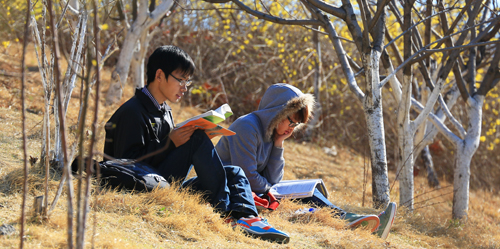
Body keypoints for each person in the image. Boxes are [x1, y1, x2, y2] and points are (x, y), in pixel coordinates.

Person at [103, 45, 290, 244]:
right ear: (159, 75)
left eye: (187, 81)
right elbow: (126, 165)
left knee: (233, 172)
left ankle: (247, 218)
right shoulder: (133, 111)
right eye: (180, 80)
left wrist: (189, 143)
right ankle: (226, 212)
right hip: (144, 185)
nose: (184, 87)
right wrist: (171, 143)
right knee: (197, 139)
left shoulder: (164, 110)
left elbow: (170, 155)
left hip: (167, 181)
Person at [215, 83, 397, 239]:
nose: (291, 129)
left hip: (253, 191)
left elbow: (274, 179)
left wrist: (278, 145)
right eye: (290, 121)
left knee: (307, 192)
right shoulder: (247, 126)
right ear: (276, 112)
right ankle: (349, 219)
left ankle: (353, 220)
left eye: (296, 125)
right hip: (231, 193)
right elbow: (246, 176)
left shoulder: (272, 134)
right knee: (303, 195)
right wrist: (272, 189)